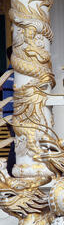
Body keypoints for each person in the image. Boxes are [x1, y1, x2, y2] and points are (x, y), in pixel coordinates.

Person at [1, 46, 15, 177]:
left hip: (9, 115)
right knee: (16, 146)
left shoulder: (8, 73)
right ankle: (12, 173)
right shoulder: (13, 74)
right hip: (13, 116)